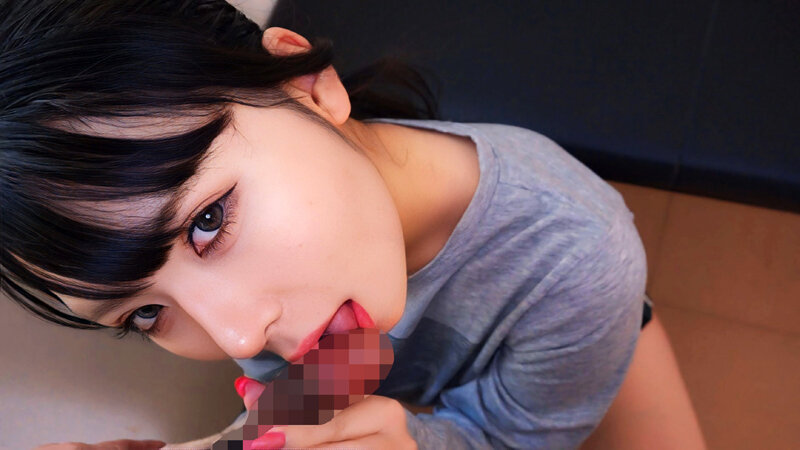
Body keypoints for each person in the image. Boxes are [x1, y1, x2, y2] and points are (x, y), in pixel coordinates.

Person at [1, 0, 704, 448]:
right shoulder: (285, 291)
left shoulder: (575, 254)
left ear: (305, 85)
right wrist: (227, 445)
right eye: (146, 314)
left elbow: (510, 439)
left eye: (208, 222)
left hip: (586, 326)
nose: (237, 336)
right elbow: (339, 374)